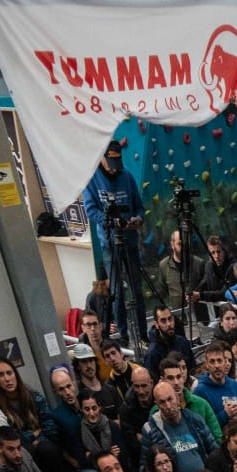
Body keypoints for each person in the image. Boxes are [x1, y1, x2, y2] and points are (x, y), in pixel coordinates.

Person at [81, 141, 146, 346]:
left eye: (116, 161)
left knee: (136, 289)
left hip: (130, 241)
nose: (113, 166)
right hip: (110, 244)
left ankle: (143, 334)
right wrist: (110, 221)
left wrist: (137, 219)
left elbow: (139, 207)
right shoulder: (92, 178)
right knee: (117, 291)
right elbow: (91, 210)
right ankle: (125, 337)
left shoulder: (126, 175)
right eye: (110, 162)